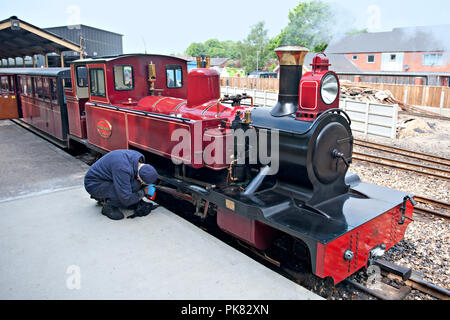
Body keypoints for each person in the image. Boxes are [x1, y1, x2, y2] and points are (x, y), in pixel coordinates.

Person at [84, 149, 158, 220]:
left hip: (106, 179)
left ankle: (105, 196)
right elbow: (126, 198)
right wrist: (144, 192)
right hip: (94, 184)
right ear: (139, 177)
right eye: (142, 181)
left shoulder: (138, 157)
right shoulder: (123, 169)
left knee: (135, 185)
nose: (141, 182)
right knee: (130, 191)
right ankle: (108, 206)